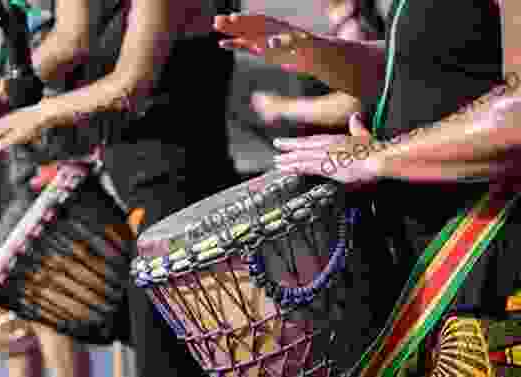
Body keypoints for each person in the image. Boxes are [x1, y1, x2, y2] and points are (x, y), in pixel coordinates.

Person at [215, 0, 521, 374]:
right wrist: (316, 52)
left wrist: (378, 157)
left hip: (489, 255)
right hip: (423, 254)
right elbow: (426, 69)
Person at [0, 2, 240, 377]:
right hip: (138, 192)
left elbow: (128, 88)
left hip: (175, 198)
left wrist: (41, 115)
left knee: (167, 362)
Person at [252, 0, 384, 128]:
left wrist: (280, 107)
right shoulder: (356, 23)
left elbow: (351, 105)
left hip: (342, 143)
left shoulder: (353, 30)